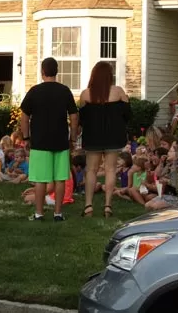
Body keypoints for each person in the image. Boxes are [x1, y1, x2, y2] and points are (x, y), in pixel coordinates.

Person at [20, 57, 79, 222]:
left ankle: (39, 213)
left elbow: (24, 116)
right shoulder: (65, 90)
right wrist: (73, 138)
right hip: (60, 140)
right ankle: (58, 213)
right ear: (57, 71)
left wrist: (26, 137)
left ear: (42, 72)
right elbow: (74, 116)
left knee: (41, 180)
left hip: (39, 141)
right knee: (60, 178)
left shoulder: (34, 91)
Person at [78, 61, 131, 218]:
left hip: (93, 137)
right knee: (110, 170)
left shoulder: (86, 94)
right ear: (110, 75)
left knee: (91, 170)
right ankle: (108, 205)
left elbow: (82, 119)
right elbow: (128, 115)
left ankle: (88, 206)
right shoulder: (119, 92)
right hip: (114, 137)